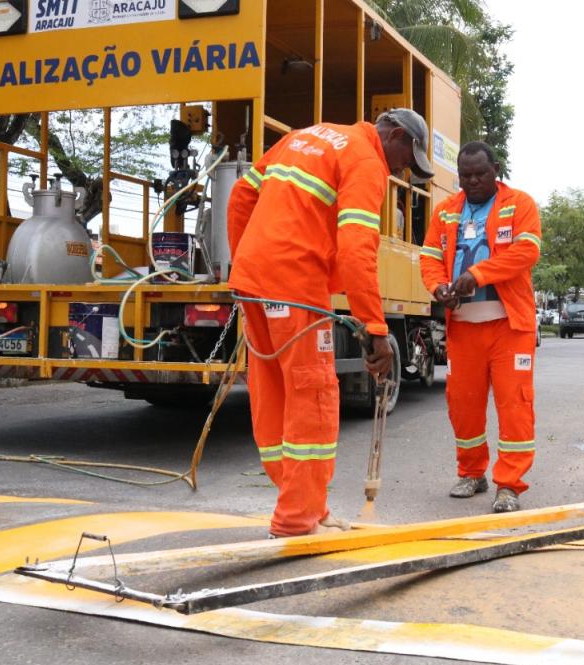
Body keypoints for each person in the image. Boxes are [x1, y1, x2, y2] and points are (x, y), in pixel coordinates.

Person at [227, 109, 434, 537]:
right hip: (296, 285)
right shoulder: (365, 159)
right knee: (313, 397)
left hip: (254, 282)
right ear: (395, 135)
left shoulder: (308, 135)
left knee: (274, 391)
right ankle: (297, 518)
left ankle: (303, 504)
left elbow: (240, 198)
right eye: (405, 160)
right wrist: (374, 328)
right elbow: (357, 247)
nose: (401, 170)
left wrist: (247, 264)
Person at [419, 141, 541, 513]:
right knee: (464, 405)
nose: (471, 181)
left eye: (479, 174)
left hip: (509, 326)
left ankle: (510, 486)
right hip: (464, 329)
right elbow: (429, 257)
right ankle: (472, 473)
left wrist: (478, 274)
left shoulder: (519, 204)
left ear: (496, 169)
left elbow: (527, 251)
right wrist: (438, 287)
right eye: (465, 175)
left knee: (514, 406)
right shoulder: (445, 212)